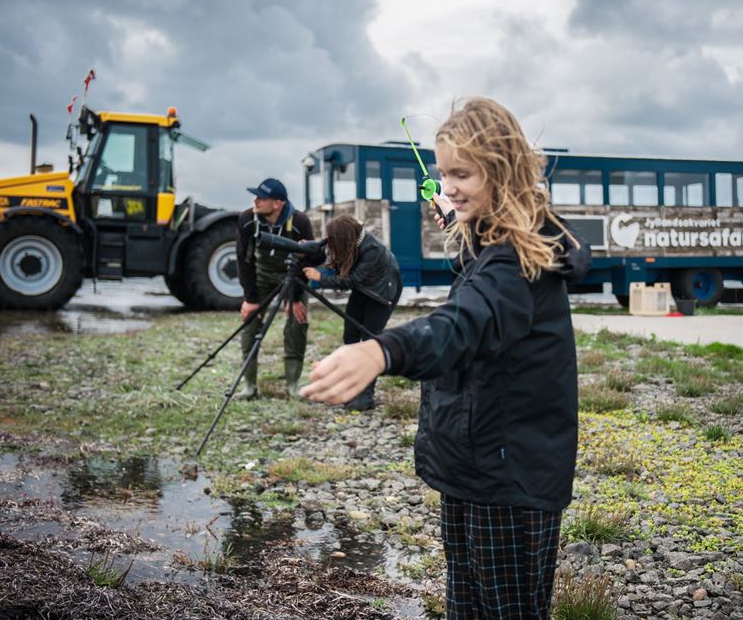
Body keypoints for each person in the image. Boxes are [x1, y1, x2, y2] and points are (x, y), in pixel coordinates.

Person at [301, 97, 590, 618]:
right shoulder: (494, 241)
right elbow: (479, 278)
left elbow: (461, 325)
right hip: (476, 466)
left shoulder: (518, 263)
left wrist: (380, 350)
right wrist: (463, 223)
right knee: (465, 606)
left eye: (463, 173)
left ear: (501, 172)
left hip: (509, 480)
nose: (448, 185)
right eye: (442, 173)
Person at [302, 214, 403, 411]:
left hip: (381, 295)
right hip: (363, 290)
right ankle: (350, 389)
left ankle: (366, 396)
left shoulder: (371, 249)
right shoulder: (349, 240)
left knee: (369, 342)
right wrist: (306, 250)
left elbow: (352, 280)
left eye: (334, 240)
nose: (331, 244)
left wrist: (320, 278)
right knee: (350, 336)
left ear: (344, 238)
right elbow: (324, 249)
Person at [236, 177, 315, 400]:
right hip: (260, 276)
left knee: (297, 322)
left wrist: (295, 297)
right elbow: (244, 260)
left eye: (261, 197)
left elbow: (310, 260)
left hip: (293, 277)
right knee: (250, 323)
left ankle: (292, 385)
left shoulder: (300, 222)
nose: (255, 200)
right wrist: (250, 298)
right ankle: (249, 387)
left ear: (277, 203)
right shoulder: (246, 219)